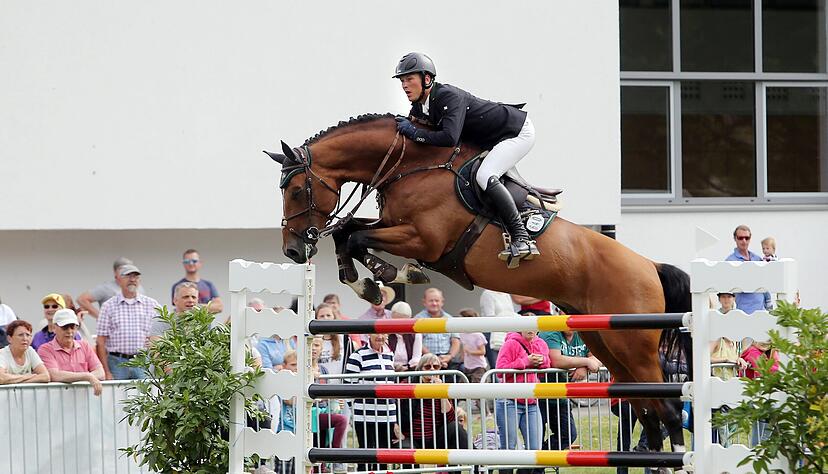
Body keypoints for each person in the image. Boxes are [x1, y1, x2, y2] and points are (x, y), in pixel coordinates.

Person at [392, 52, 539, 265]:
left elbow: (449, 138)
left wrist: (414, 132)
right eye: (402, 81)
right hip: (490, 138)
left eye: (409, 79)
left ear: (427, 79)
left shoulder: (447, 96)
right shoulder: (421, 105)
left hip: (516, 133)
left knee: (485, 175)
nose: (404, 85)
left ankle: (522, 238)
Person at [344, 333, 401, 473]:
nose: (380, 337)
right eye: (377, 333)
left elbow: (391, 385)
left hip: (387, 414)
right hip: (365, 415)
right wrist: (355, 410)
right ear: (369, 334)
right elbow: (348, 385)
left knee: (383, 455)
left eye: (383, 333)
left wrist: (394, 414)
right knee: (366, 454)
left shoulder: (389, 354)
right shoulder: (357, 355)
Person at [538, 329, 602, 450]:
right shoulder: (550, 332)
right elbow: (556, 360)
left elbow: (598, 358)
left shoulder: (582, 333)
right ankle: (534, 457)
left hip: (561, 395)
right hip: (540, 395)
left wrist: (585, 367)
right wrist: (586, 362)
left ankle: (541, 456)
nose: (570, 321)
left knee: (568, 435)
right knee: (537, 437)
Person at [96, 264, 160, 380]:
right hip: (116, 362)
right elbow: (100, 342)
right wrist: (106, 371)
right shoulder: (108, 306)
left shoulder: (152, 305)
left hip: (143, 361)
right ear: (118, 280)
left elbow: (163, 332)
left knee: (145, 391)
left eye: (135, 276)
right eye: (128, 276)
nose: (132, 280)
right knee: (117, 392)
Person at [494, 330, 550, 453]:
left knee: (535, 449)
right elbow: (500, 370)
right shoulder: (510, 344)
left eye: (533, 326)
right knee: (509, 448)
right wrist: (525, 362)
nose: (530, 329)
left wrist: (542, 361)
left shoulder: (541, 343)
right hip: (509, 401)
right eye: (527, 325)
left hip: (531, 403)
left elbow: (547, 364)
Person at [400, 353, 468, 450]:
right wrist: (397, 430)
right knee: (405, 448)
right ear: (420, 369)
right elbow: (394, 407)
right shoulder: (408, 384)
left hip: (435, 437)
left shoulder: (441, 386)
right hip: (411, 437)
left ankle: (476, 458)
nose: (432, 369)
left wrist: (441, 392)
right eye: (427, 367)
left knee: (455, 427)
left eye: (436, 367)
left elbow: (450, 419)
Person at [37, 309, 105, 396]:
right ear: (54, 328)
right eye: (65, 327)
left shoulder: (84, 345)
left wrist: (88, 377)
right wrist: (87, 376)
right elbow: (54, 375)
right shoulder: (45, 349)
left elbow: (100, 373)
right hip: (57, 399)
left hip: (84, 398)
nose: (69, 331)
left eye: (72, 327)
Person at [310, 337, 349, 473]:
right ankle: (332, 454)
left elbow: (325, 395)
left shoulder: (324, 370)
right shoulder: (300, 368)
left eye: (317, 345)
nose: (313, 348)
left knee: (320, 443)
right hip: (309, 413)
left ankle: (325, 461)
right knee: (341, 420)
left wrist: (336, 399)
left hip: (322, 411)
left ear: (322, 349)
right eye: (311, 345)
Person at [725, 225, 773, 313]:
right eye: (740, 238)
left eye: (747, 238)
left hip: (762, 311)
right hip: (744, 312)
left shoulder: (757, 258)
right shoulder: (730, 261)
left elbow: (765, 282)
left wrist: (769, 305)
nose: (744, 241)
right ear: (735, 238)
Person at [76, 257, 144, 318]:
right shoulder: (106, 288)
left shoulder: (139, 288)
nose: (129, 273)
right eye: (124, 270)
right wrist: (100, 316)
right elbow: (81, 299)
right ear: (116, 272)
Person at [741, 340, 779, 446]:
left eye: (768, 339)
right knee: (769, 413)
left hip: (760, 396)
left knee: (763, 426)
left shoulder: (768, 353)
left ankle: (761, 445)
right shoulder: (752, 351)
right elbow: (763, 370)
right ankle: (759, 448)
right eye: (761, 338)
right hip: (751, 396)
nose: (764, 342)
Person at [415, 288, 460, 370]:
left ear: (442, 302)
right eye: (431, 301)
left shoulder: (450, 319)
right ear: (424, 302)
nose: (434, 303)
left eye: (437, 300)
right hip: (426, 362)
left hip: (447, 361)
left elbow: (456, 341)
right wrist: (433, 358)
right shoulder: (418, 319)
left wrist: (449, 356)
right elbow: (417, 342)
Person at [170, 249, 223, 314]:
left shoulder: (209, 285)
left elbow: (219, 307)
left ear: (200, 263)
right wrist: (208, 307)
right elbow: (179, 309)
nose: (191, 263)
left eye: (194, 261)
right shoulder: (177, 286)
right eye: (187, 261)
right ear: (183, 264)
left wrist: (194, 306)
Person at [0, 320, 50, 384]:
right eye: (20, 335)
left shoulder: (30, 350)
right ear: (9, 339)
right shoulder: (2, 353)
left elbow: (46, 377)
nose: (25, 338)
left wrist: (13, 380)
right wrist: (27, 376)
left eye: (28, 335)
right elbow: (1, 378)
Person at [479, 289, 513, 370]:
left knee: (508, 363)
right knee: (496, 365)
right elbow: (490, 316)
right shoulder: (487, 293)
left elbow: (511, 313)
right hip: (492, 334)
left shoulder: (506, 294)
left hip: (506, 332)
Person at [387, 301, 422, 372]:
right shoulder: (386, 333)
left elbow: (416, 357)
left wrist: (409, 367)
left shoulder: (416, 334)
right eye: (396, 321)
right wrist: (395, 366)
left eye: (403, 321)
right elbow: (384, 356)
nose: (400, 325)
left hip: (410, 371)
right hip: (390, 370)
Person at [458, 308, 488, 383]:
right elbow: (463, 345)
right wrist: (462, 355)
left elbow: (482, 351)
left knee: (477, 384)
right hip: (467, 365)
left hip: (478, 366)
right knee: (463, 383)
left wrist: (470, 352)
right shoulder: (462, 334)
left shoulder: (478, 335)